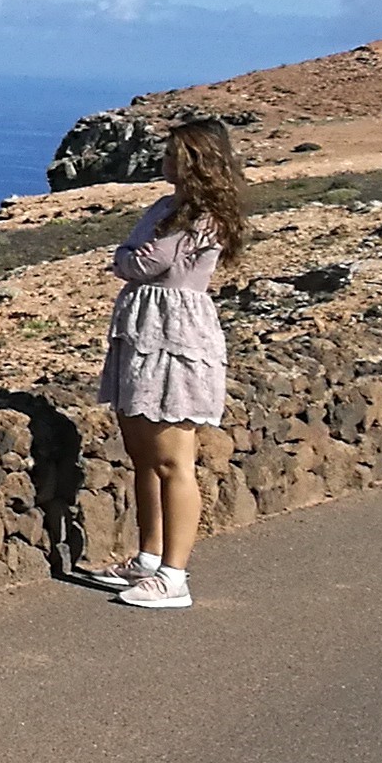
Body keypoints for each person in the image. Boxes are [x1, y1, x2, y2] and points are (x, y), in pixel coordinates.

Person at [88, 120, 249, 611]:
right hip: (143, 331)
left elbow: (140, 262)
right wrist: (128, 255)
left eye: (175, 153)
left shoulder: (204, 218)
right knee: (142, 455)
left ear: (195, 160)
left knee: (173, 460)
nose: (165, 160)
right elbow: (136, 258)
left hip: (176, 336)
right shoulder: (167, 208)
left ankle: (175, 575)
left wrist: (127, 255)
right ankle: (149, 557)